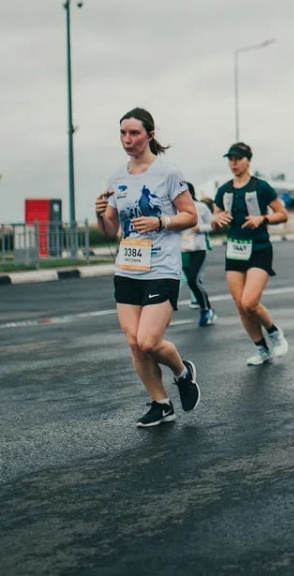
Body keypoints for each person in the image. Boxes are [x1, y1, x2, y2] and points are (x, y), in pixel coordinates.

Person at [94, 108, 201, 428]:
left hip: (162, 268)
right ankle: (161, 403)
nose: (128, 140)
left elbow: (191, 215)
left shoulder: (168, 173)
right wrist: (100, 213)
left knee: (149, 341)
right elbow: (110, 231)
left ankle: (182, 373)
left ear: (150, 135)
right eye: (123, 134)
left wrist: (161, 221)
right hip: (128, 267)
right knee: (133, 341)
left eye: (134, 133)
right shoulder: (117, 176)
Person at [212, 142, 291, 365]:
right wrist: (215, 219)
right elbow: (216, 219)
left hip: (259, 249)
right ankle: (261, 348)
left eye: (238, 158)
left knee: (249, 302)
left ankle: (274, 332)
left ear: (248, 160)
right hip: (235, 250)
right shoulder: (224, 190)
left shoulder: (261, 187)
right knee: (240, 305)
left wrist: (262, 219)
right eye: (230, 159)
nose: (233, 163)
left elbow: (282, 214)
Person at [180, 185, 216, 327]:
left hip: (199, 249)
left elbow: (213, 224)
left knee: (193, 279)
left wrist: (200, 228)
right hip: (183, 250)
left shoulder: (200, 207)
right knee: (193, 282)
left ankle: (205, 310)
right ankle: (208, 309)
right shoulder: (175, 209)